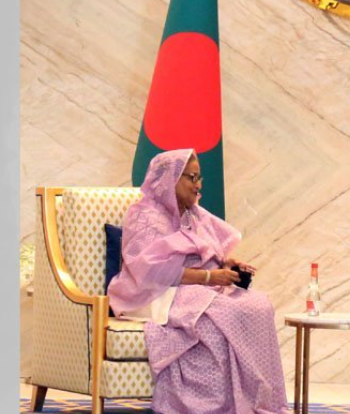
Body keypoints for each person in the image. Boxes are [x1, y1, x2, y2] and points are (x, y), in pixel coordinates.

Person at [108, 149, 288, 414]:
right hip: (154, 292)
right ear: (170, 179)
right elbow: (148, 271)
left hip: (197, 288)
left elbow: (207, 254)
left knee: (259, 304)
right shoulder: (145, 216)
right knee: (223, 312)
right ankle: (216, 405)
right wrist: (208, 277)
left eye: (199, 178)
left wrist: (226, 265)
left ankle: (258, 399)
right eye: (192, 178)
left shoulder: (193, 214)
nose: (199, 185)